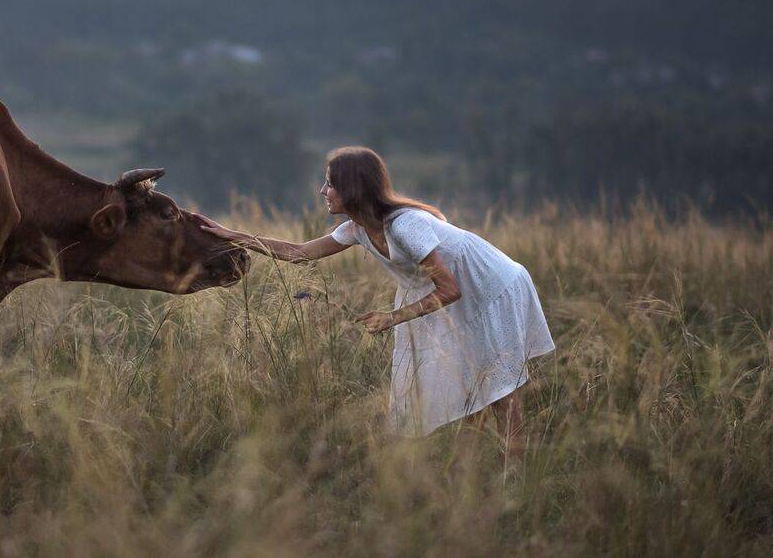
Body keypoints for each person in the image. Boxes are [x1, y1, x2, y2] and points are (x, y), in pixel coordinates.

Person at [199, 146, 554, 463]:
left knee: (500, 389)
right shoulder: (357, 229)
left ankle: (516, 480)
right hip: (455, 287)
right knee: (471, 381)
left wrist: (392, 318)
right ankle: (479, 473)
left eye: (329, 184)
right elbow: (300, 253)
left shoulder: (406, 227)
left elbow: (449, 289)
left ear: (352, 188)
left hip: (491, 285)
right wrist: (233, 235)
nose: (323, 192)